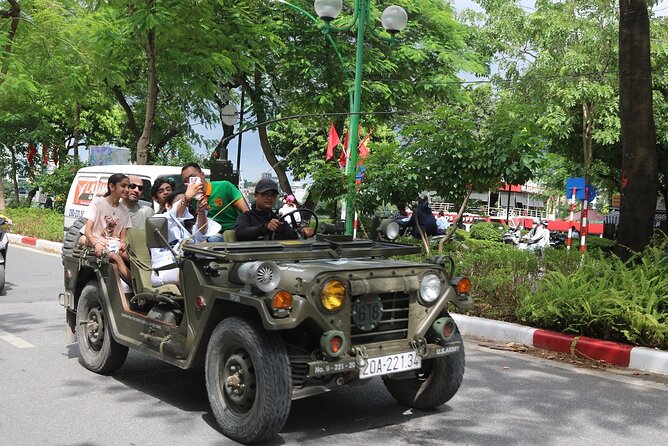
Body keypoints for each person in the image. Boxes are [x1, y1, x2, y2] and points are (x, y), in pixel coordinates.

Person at [150, 188, 210, 286]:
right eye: (181, 202)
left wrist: (201, 212)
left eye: (187, 204)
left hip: (187, 267)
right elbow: (173, 215)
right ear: (167, 205)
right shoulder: (158, 220)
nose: (185, 206)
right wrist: (186, 198)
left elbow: (201, 233)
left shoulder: (188, 225)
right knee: (191, 274)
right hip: (163, 271)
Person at [79, 173, 133, 283]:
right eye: (123, 186)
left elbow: (123, 237)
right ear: (112, 187)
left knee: (131, 257)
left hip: (114, 244)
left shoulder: (124, 210)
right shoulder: (98, 203)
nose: (127, 189)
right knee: (116, 258)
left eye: (129, 186)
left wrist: (123, 243)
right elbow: (87, 231)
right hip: (97, 242)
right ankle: (136, 286)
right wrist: (96, 244)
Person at [181, 163, 249, 239]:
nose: (191, 182)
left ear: (202, 175)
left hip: (233, 231)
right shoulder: (190, 199)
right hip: (210, 234)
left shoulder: (224, 186)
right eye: (186, 181)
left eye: (192, 177)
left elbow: (245, 211)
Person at [235, 178, 314, 241]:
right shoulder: (246, 217)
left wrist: (303, 231)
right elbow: (240, 233)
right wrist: (265, 228)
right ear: (255, 196)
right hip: (252, 258)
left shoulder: (278, 219)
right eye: (264, 194)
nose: (269, 198)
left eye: (273, 195)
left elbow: (293, 237)